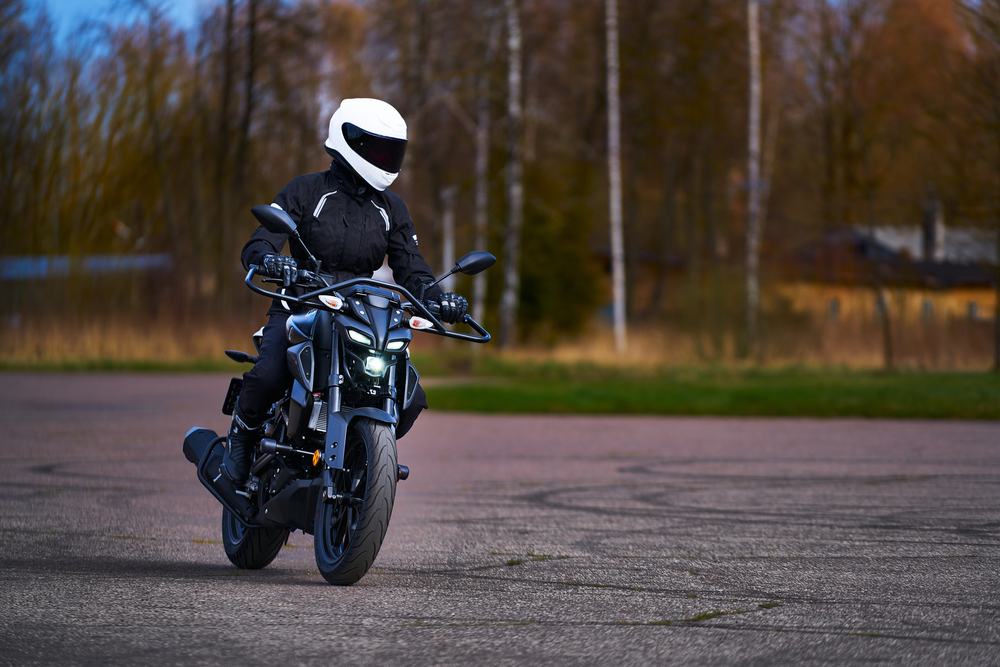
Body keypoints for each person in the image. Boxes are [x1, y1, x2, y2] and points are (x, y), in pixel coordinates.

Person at [222, 98, 468, 486]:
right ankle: (242, 435)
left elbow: (411, 267)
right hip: (300, 302)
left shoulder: (392, 208)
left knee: (411, 393)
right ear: (351, 142)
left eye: (394, 151)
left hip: (359, 312)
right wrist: (273, 261)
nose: (389, 159)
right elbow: (259, 243)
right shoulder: (306, 190)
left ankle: (361, 453)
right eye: (381, 149)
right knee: (270, 372)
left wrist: (437, 298)